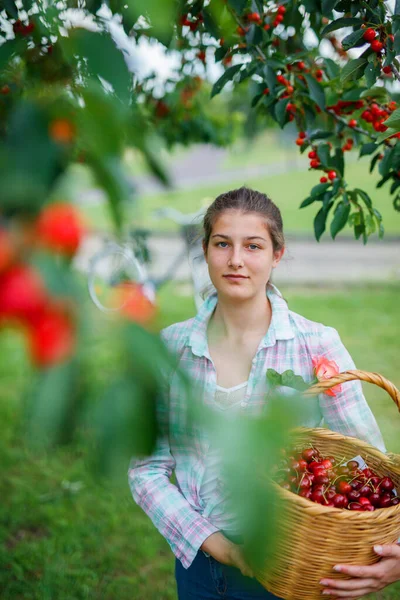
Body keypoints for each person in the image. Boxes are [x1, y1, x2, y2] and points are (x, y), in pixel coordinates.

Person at [128, 187, 400, 600]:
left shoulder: (316, 345)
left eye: (253, 245)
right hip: (201, 565)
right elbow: (146, 469)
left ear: (276, 255)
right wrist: (221, 547)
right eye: (222, 244)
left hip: (294, 561)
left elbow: (371, 462)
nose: (236, 259)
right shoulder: (171, 348)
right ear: (204, 250)